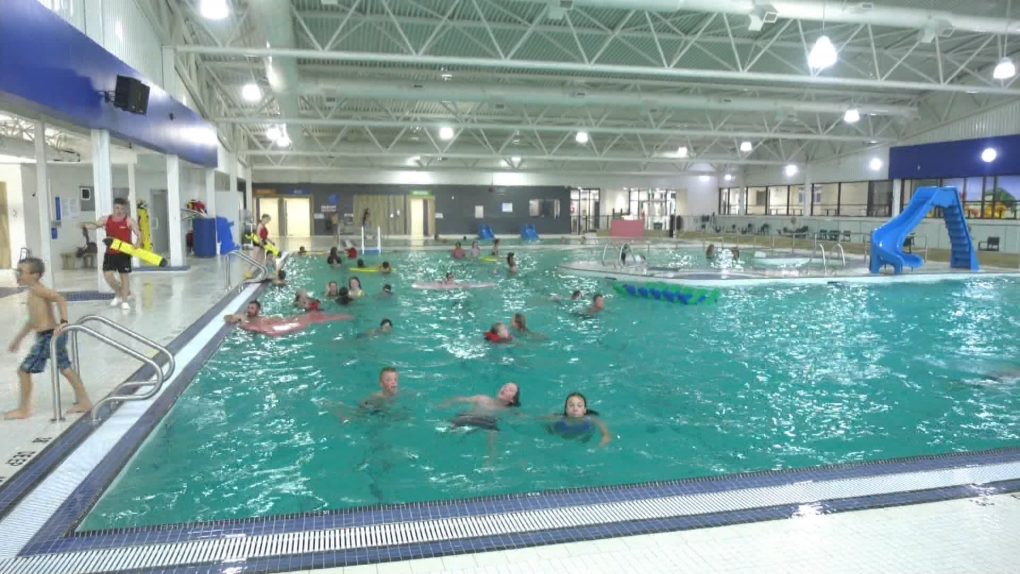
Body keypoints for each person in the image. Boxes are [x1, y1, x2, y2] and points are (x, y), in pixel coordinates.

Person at [5, 258, 91, 419]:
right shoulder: (32, 290)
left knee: (24, 371)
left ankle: (23, 410)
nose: (18, 274)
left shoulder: (37, 289)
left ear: (35, 275)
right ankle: (84, 402)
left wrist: (64, 322)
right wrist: (18, 339)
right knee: (65, 368)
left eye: (21, 272)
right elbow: (32, 321)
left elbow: (60, 298)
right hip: (49, 335)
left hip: (49, 336)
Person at [438, 383, 522, 464]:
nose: (505, 388)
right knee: (443, 428)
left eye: (510, 390)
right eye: (505, 386)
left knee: (493, 433)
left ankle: (490, 461)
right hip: (468, 418)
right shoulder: (482, 399)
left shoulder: (508, 411)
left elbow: (524, 417)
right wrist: (444, 405)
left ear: (512, 400)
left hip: (487, 423)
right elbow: (458, 399)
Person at [82, 197, 141, 310]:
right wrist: (85, 225)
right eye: (117, 208)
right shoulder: (106, 219)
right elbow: (95, 225)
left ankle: (124, 301)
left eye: (122, 208)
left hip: (124, 252)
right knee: (108, 276)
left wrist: (137, 243)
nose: (119, 211)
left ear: (125, 209)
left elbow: (139, 233)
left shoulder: (129, 220)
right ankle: (119, 293)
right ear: (114, 207)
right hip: (110, 252)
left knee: (124, 277)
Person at [545, 392, 611, 447]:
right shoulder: (558, 418)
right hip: (562, 440)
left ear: (584, 410)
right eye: (571, 405)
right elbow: (540, 419)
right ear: (566, 409)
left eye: (579, 406)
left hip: (583, 440)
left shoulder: (592, 419)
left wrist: (602, 443)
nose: (575, 409)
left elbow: (606, 434)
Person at [335, 367, 400, 423]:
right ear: (381, 384)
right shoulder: (377, 397)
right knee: (361, 414)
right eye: (389, 380)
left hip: (382, 410)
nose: (393, 382)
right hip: (374, 408)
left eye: (395, 379)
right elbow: (364, 405)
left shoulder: (398, 393)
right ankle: (344, 416)